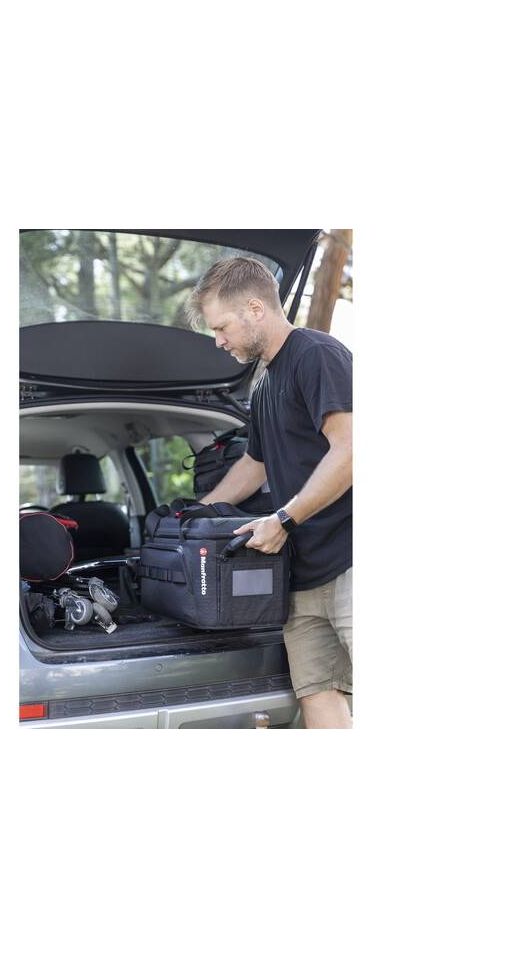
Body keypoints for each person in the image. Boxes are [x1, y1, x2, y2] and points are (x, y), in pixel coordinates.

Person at [186, 257, 353, 729]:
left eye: (221, 327)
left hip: (351, 561)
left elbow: (351, 448)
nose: (218, 341)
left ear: (255, 309)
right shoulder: (263, 387)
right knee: (318, 696)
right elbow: (253, 465)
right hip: (301, 576)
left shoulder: (317, 356)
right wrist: (197, 512)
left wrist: (284, 519)